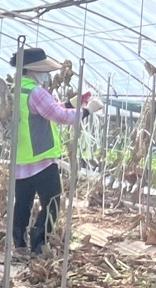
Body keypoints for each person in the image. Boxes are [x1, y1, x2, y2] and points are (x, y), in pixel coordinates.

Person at [10, 46, 99, 256]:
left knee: (22, 203)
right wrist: (88, 110)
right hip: (41, 158)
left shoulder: (15, 90)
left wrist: (71, 103)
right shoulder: (36, 91)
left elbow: (46, 110)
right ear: (33, 71)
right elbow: (61, 117)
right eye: (44, 71)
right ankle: (39, 244)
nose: (47, 75)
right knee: (52, 202)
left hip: (21, 160)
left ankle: (19, 245)